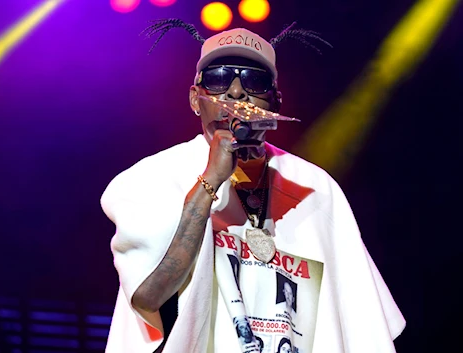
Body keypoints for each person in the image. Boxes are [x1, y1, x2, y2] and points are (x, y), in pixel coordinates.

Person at [101, 20, 405, 353]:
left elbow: (361, 326)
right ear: (194, 99)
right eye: (218, 79)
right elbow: (148, 296)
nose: (235, 92)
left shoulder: (316, 188)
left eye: (254, 81)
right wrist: (210, 182)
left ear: (274, 102)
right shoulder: (153, 178)